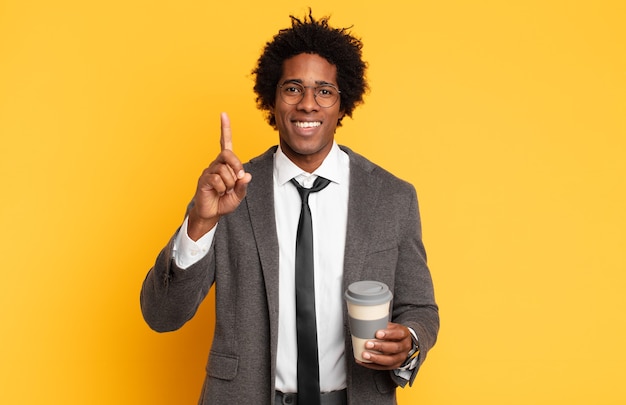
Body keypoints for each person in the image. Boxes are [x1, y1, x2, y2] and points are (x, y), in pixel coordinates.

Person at [141, 10, 439, 405]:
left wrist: (410, 341)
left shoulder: (392, 197)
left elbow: (419, 308)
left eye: (324, 91)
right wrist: (199, 223)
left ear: (342, 102)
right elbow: (162, 315)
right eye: (293, 88)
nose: (308, 105)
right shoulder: (228, 193)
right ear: (273, 98)